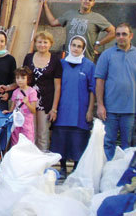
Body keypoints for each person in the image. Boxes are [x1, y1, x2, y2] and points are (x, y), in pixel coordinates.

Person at [95, 23, 136, 160]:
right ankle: (108, 172)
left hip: (131, 109)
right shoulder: (107, 55)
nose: (121, 37)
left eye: (124, 34)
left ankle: (124, 174)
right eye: (118, 34)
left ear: (131, 36)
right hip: (110, 109)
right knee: (108, 143)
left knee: (129, 144)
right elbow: (99, 81)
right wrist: (100, 105)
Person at [50, 35, 95, 178]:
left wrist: (90, 110)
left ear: (83, 49)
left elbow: (92, 89)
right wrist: (54, 108)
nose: (75, 48)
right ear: (69, 46)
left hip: (80, 111)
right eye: (73, 45)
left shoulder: (89, 65)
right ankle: (62, 168)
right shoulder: (61, 64)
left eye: (79, 46)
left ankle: (76, 169)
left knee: (78, 141)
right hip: (63, 110)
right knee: (61, 140)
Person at [41, 0, 115, 62]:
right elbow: (53, 22)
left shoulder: (97, 18)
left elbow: (113, 32)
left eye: (90, 0)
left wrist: (98, 43)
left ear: (93, 3)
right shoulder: (70, 14)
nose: (87, 1)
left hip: (86, 59)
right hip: (69, 58)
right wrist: (45, 5)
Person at [22, 31, 62, 151]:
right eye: (39, 42)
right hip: (29, 101)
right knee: (29, 132)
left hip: (46, 102)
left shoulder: (55, 61)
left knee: (43, 134)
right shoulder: (28, 58)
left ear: (51, 44)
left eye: (45, 42)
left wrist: (54, 109)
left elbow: (58, 86)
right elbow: (23, 79)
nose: (42, 45)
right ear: (35, 43)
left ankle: (43, 162)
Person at [3, 67, 38, 146]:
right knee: (15, 140)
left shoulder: (32, 92)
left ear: (28, 79)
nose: (20, 80)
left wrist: (27, 103)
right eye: (17, 78)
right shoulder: (15, 92)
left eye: (23, 78)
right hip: (17, 121)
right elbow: (13, 108)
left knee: (27, 141)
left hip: (27, 122)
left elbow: (33, 110)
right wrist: (8, 112)